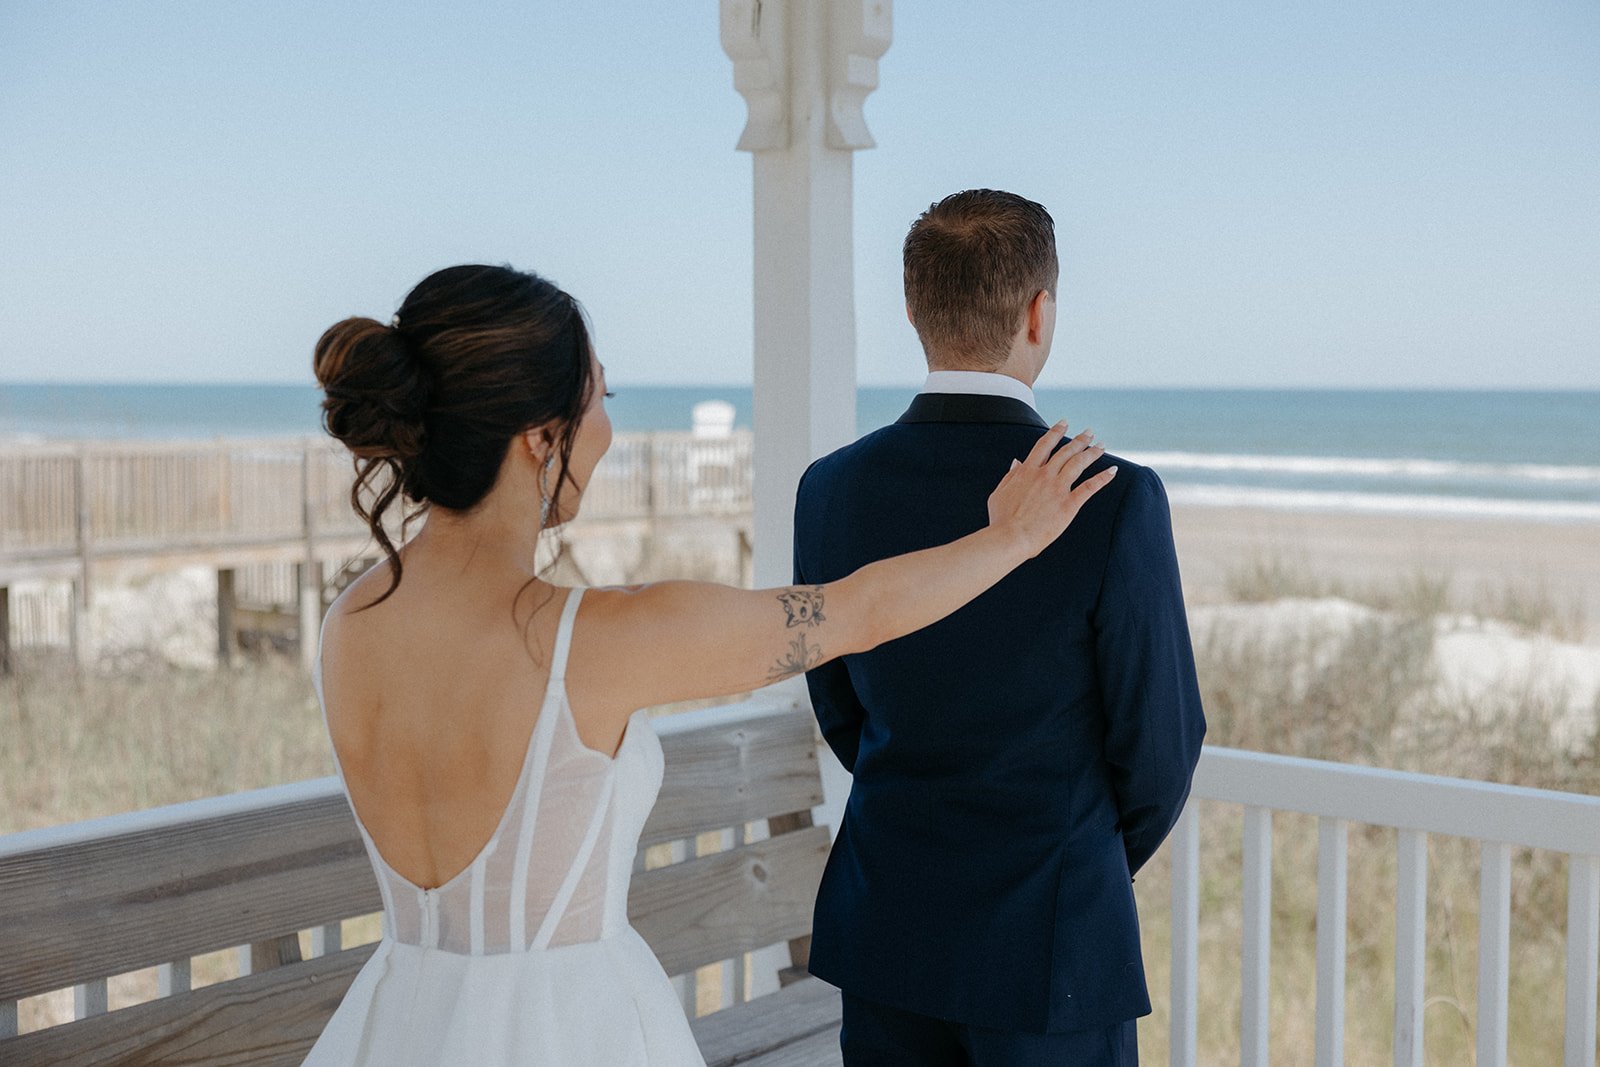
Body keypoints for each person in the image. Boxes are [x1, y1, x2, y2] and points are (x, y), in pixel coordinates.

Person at [302, 263, 1116, 1066]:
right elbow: (855, 613)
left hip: (399, 1019)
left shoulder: (352, 622)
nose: (607, 431)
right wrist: (1012, 537)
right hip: (572, 1028)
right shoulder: (593, 642)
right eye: (600, 402)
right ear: (540, 437)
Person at [792, 190, 1208, 1066]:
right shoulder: (1117, 500)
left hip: (889, 932)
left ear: (913, 308)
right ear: (1038, 313)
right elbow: (1162, 744)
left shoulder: (829, 488)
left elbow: (838, 705)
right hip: (1048, 952)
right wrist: (1074, 858)